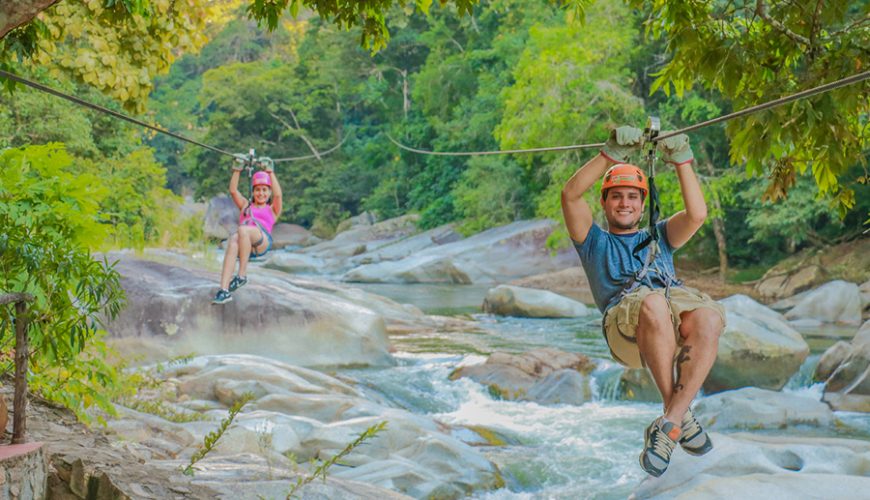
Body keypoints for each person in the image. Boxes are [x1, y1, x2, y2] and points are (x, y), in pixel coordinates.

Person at [561, 126, 726, 477]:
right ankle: (678, 414)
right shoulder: (593, 242)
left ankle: (670, 423)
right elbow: (571, 195)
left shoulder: (661, 236)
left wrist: (681, 159)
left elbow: (697, 215)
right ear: (604, 203)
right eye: (616, 196)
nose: (625, 203)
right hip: (627, 329)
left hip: (671, 319)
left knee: (709, 318)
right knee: (651, 302)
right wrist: (611, 153)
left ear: (642, 203)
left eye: (633, 196)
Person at [213, 159, 282, 304]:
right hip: (244, 243)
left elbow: (278, 196)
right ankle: (224, 290)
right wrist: (237, 170)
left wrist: (270, 172)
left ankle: (242, 275)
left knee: (242, 230)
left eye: (264, 190)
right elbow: (233, 190)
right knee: (233, 241)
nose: (261, 193)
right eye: (257, 190)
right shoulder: (245, 205)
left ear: (269, 192)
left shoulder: (272, 209)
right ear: (253, 192)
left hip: (261, 241)